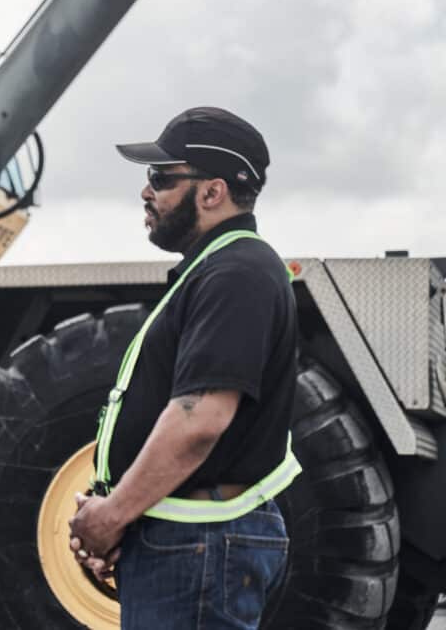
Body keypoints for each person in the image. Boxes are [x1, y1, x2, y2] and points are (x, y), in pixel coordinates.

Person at [69, 107, 300, 629]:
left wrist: (112, 515)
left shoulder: (237, 273)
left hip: (199, 542)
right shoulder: (219, 269)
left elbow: (200, 419)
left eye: (160, 178)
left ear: (213, 192)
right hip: (188, 540)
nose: (146, 192)